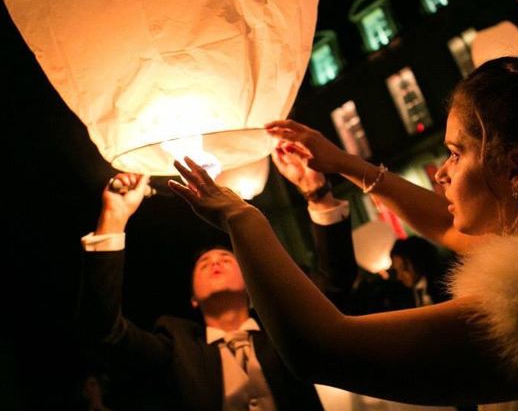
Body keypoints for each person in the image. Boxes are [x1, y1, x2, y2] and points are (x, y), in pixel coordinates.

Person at [169, 30, 518, 409]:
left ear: (514, 169)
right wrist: (344, 163)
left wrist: (240, 216)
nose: (442, 174)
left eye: (456, 153)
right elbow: (447, 226)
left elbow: (322, 348)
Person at [77, 157, 357, 410]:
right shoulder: (176, 348)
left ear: (250, 288)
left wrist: (317, 192)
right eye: (203, 264)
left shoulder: (285, 332)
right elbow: (104, 331)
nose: (214, 262)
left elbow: (335, 283)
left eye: (225, 257)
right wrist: (113, 218)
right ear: (193, 299)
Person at [389, 236, 455, 307]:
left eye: (404, 268)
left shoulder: (445, 286)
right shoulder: (404, 295)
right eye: (397, 270)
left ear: (417, 261)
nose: (399, 277)